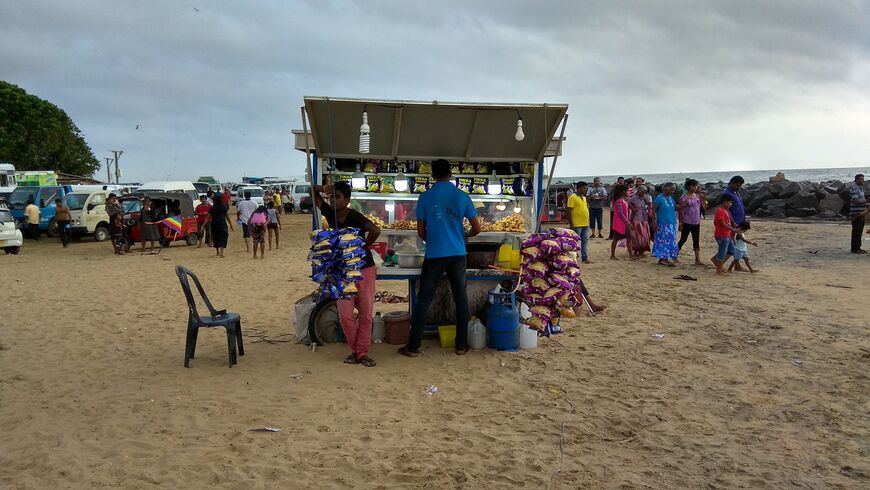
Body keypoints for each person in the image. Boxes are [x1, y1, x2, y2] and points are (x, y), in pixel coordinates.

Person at [401, 159, 481, 358]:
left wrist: (435, 240)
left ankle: (413, 347)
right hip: (458, 254)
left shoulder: (425, 197)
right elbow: (477, 228)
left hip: (435, 255)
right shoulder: (462, 196)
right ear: (451, 174)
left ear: (433, 175)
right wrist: (463, 236)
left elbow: (421, 231)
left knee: (424, 299)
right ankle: (461, 345)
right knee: (460, 298)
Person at [312, 181, 381, 367]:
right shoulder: (329, 212)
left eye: (337, 196)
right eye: (331, 197)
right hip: (342, 271)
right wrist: (322, 188)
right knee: (345, 316)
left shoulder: (355, 216)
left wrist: (363, 247)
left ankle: (361, 352)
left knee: (366, 314)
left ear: (347, 200)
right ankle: (357, 351)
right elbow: (313, 194)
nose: (333, 200)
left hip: (365, 268)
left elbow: (375, 230)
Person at [678, 178, 706, 266]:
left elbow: (704, 207)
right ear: (688, 187)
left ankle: (697, 259)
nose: (695, 187)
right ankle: (674, 255)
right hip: (687, 221)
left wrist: (704, 199)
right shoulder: (684, 197)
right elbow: (681, 211)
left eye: (696, 186)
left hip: (696, 221)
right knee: (683, 239)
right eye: (693, 186)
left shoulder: (697, 196)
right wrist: (681, 223)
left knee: (696, 240)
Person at [651, 183, 680, 267]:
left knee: (670, 241)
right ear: (665, 189)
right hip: (663, 224)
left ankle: (664, 259)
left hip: (671, 223)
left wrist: (683, 205)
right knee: (664, 241)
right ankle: (663, 259)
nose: (673, 191)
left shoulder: (670, 198)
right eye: (671, 189)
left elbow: (675, 207)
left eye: (673, 189)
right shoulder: (659, 198)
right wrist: (653, 221)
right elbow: (653, 210)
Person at [567, 181, 591, 264]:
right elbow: (568, 210)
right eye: (584, 188)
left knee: (584, 241)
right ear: (579, 188)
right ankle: (573, 258)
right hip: (576, 224)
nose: (586, 189)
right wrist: (571, 223)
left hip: (585, 223)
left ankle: (585, 257)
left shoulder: (584, 197)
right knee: (574, 242)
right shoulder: (572, 197)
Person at [712, 195, 737, 274]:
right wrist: (733, 229)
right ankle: (718, 269)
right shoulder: (720, 210)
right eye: (730, 202)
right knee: (722, 252)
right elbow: (722, 223)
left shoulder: (725, 210)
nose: (731, 204)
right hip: (721, 235)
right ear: (725, 202)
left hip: (726, 234)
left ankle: (718, 262)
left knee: (732, 250)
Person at [628, 185, 651, 259]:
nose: (644, 193)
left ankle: (641, 251)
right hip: (636, 219)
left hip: (643, 218)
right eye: (643, 192)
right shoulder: (634, 198)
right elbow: (628, 204)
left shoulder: (642, 198)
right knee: (637, 237)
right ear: (639, 191)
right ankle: (636, 252)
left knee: (644, 236)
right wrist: (634, 210)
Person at [205, 192, 229, 258]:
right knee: (223, 237)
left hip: (214, 224)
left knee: (215, 237)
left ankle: (217, 252)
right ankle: (221, 252)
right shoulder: (223, 207)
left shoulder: (212, 208)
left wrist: (203, 225)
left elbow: (207, 217)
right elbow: (227, 216)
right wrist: (231, 224)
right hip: (222, 224)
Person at [609, 184, 630, 260]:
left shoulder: (622, 200)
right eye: (626, 190)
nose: (627, 192)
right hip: (620, 223)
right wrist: (627, 222)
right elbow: (621, 214)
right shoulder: (619, 201)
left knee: (628, 238)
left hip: (623, 222)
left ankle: (631, 255)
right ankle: (612, 255)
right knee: (616, 239)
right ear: (622, 191)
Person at [848, 174, 867, 254]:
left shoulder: (860, 189)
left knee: (859, 231)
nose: (863, 180)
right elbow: (855, 201)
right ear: (856, 180)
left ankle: (858, 247)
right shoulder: (854, 188)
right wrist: (866, 201)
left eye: (863, 179)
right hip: (856, 214)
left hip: (862, 213)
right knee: (856, 231)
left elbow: (860, 200)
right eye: (861, 179)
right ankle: (855, 249)